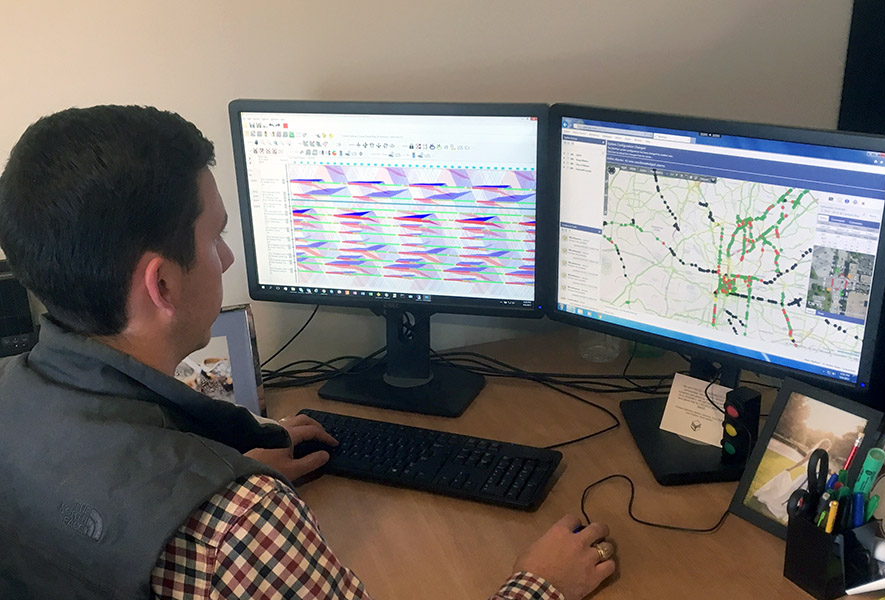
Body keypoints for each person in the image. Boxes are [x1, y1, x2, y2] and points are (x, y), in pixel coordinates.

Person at [0, 105, 616, 600]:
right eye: (215, 235)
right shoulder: (243, 528)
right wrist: (544, 585)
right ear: (161, 284)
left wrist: (229, 451)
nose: (227, 258)